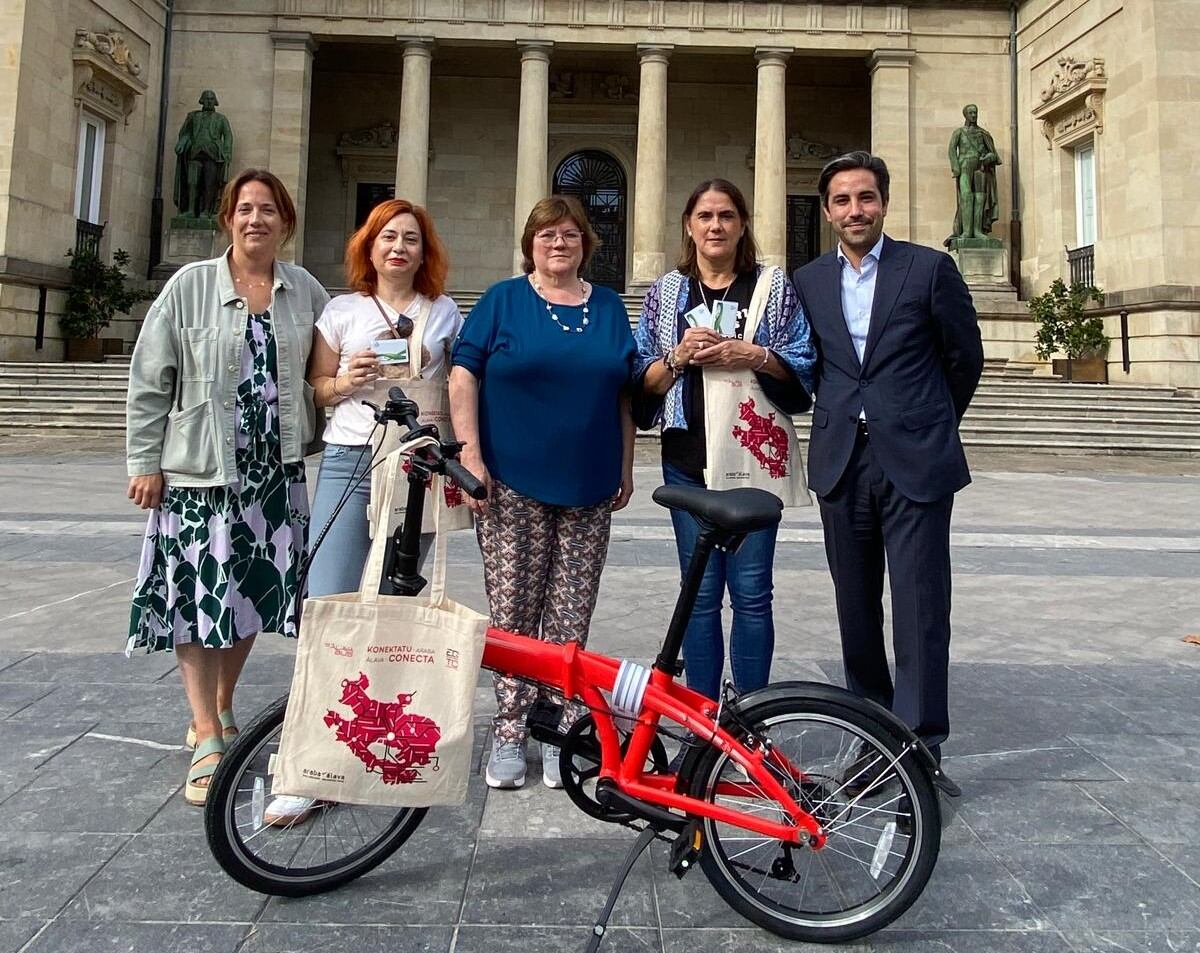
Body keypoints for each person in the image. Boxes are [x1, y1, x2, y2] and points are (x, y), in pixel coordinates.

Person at [126, 168, 328, 806]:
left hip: (275, 475)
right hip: (200, 472)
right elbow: (150, 378)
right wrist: (144, 460)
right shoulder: (189, 288)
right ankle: (208, 732)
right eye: (245, 209)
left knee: (247, 597)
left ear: (285, 223)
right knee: (196, 596)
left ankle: (221, 705)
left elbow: (328, 369)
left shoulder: (306, 292)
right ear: (227, 219)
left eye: (268, 210)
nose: (256, 220)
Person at [261, 200, 462, 826]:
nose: (398, 249)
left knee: (393, 604)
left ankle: (373, 739)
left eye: (410, 240)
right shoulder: (341, 310)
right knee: (329, 601)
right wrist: (346, 380)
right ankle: (305, 762)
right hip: (352, 457)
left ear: (424, 253)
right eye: (387, 238)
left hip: (415, 465)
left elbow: (460, 385)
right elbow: (317, 386)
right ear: (368, 248)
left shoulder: (444, 312)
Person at [791, 151, 984, 766]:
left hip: (917, 463)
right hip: (843, 461)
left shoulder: (929, 270)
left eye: (866, 197)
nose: (855, 210)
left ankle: (920, 744)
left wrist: (925, 422)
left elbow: (964, 359)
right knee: (855, 604)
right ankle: (874, 732)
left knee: (922, 604)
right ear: (827, 211)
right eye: (843, 200)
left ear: (884, 203)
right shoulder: (808, 282)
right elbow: (808, 368)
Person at [450, 195, 635, 791]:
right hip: (511, 482)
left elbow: (623, 394)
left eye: (570, 234)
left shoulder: (607, 307)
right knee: (513, 612)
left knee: (571, 614)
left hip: (590, 483)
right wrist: (470, 456)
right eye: (547, 234)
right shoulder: (503, 300)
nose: (559, 243)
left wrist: (626, 465)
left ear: (587, 243)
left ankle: (559, 725)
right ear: (530, 243)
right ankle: (508, 727)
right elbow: (463, 375)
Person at [633, 178, 815, 706]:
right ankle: (704, 717)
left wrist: (754, 356)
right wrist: (677, 357)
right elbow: (640, 380)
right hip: (688, 464)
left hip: (752, 463)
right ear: (689, 226)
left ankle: (753, 716)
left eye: (727, 216)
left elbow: (802, 367)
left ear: (742, 225)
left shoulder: (772, 287)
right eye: (705, 216)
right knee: (702, 595)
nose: (716, 226)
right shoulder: (666, 292)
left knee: (754, 594)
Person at [173, 89, 234, 220]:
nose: (208, 102)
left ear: (215, 102)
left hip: (212, 155)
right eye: (206, 99)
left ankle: (206, 211)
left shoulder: (221, 119)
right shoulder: (193, 116)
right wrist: (183, 142)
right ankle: (190, 210)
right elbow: (185, 133)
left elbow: (228, 136)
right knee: (192, 182)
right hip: (195, 153)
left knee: (209, 183)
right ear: (201, 100)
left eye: (211, 99)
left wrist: (227, 152)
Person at [946, 104, 1001, 246]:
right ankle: (966, 231)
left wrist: (989, 157)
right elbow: (952, 150)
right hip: (964, 166)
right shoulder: (959, 132)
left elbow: (994, 154)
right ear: (965, 115)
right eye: (971, 113)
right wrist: (955, 167)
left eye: (975, 112)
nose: (973, 115)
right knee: (966, 196)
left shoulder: (983, 133)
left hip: (980, 167)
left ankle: (977, 230)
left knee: (980, 197)